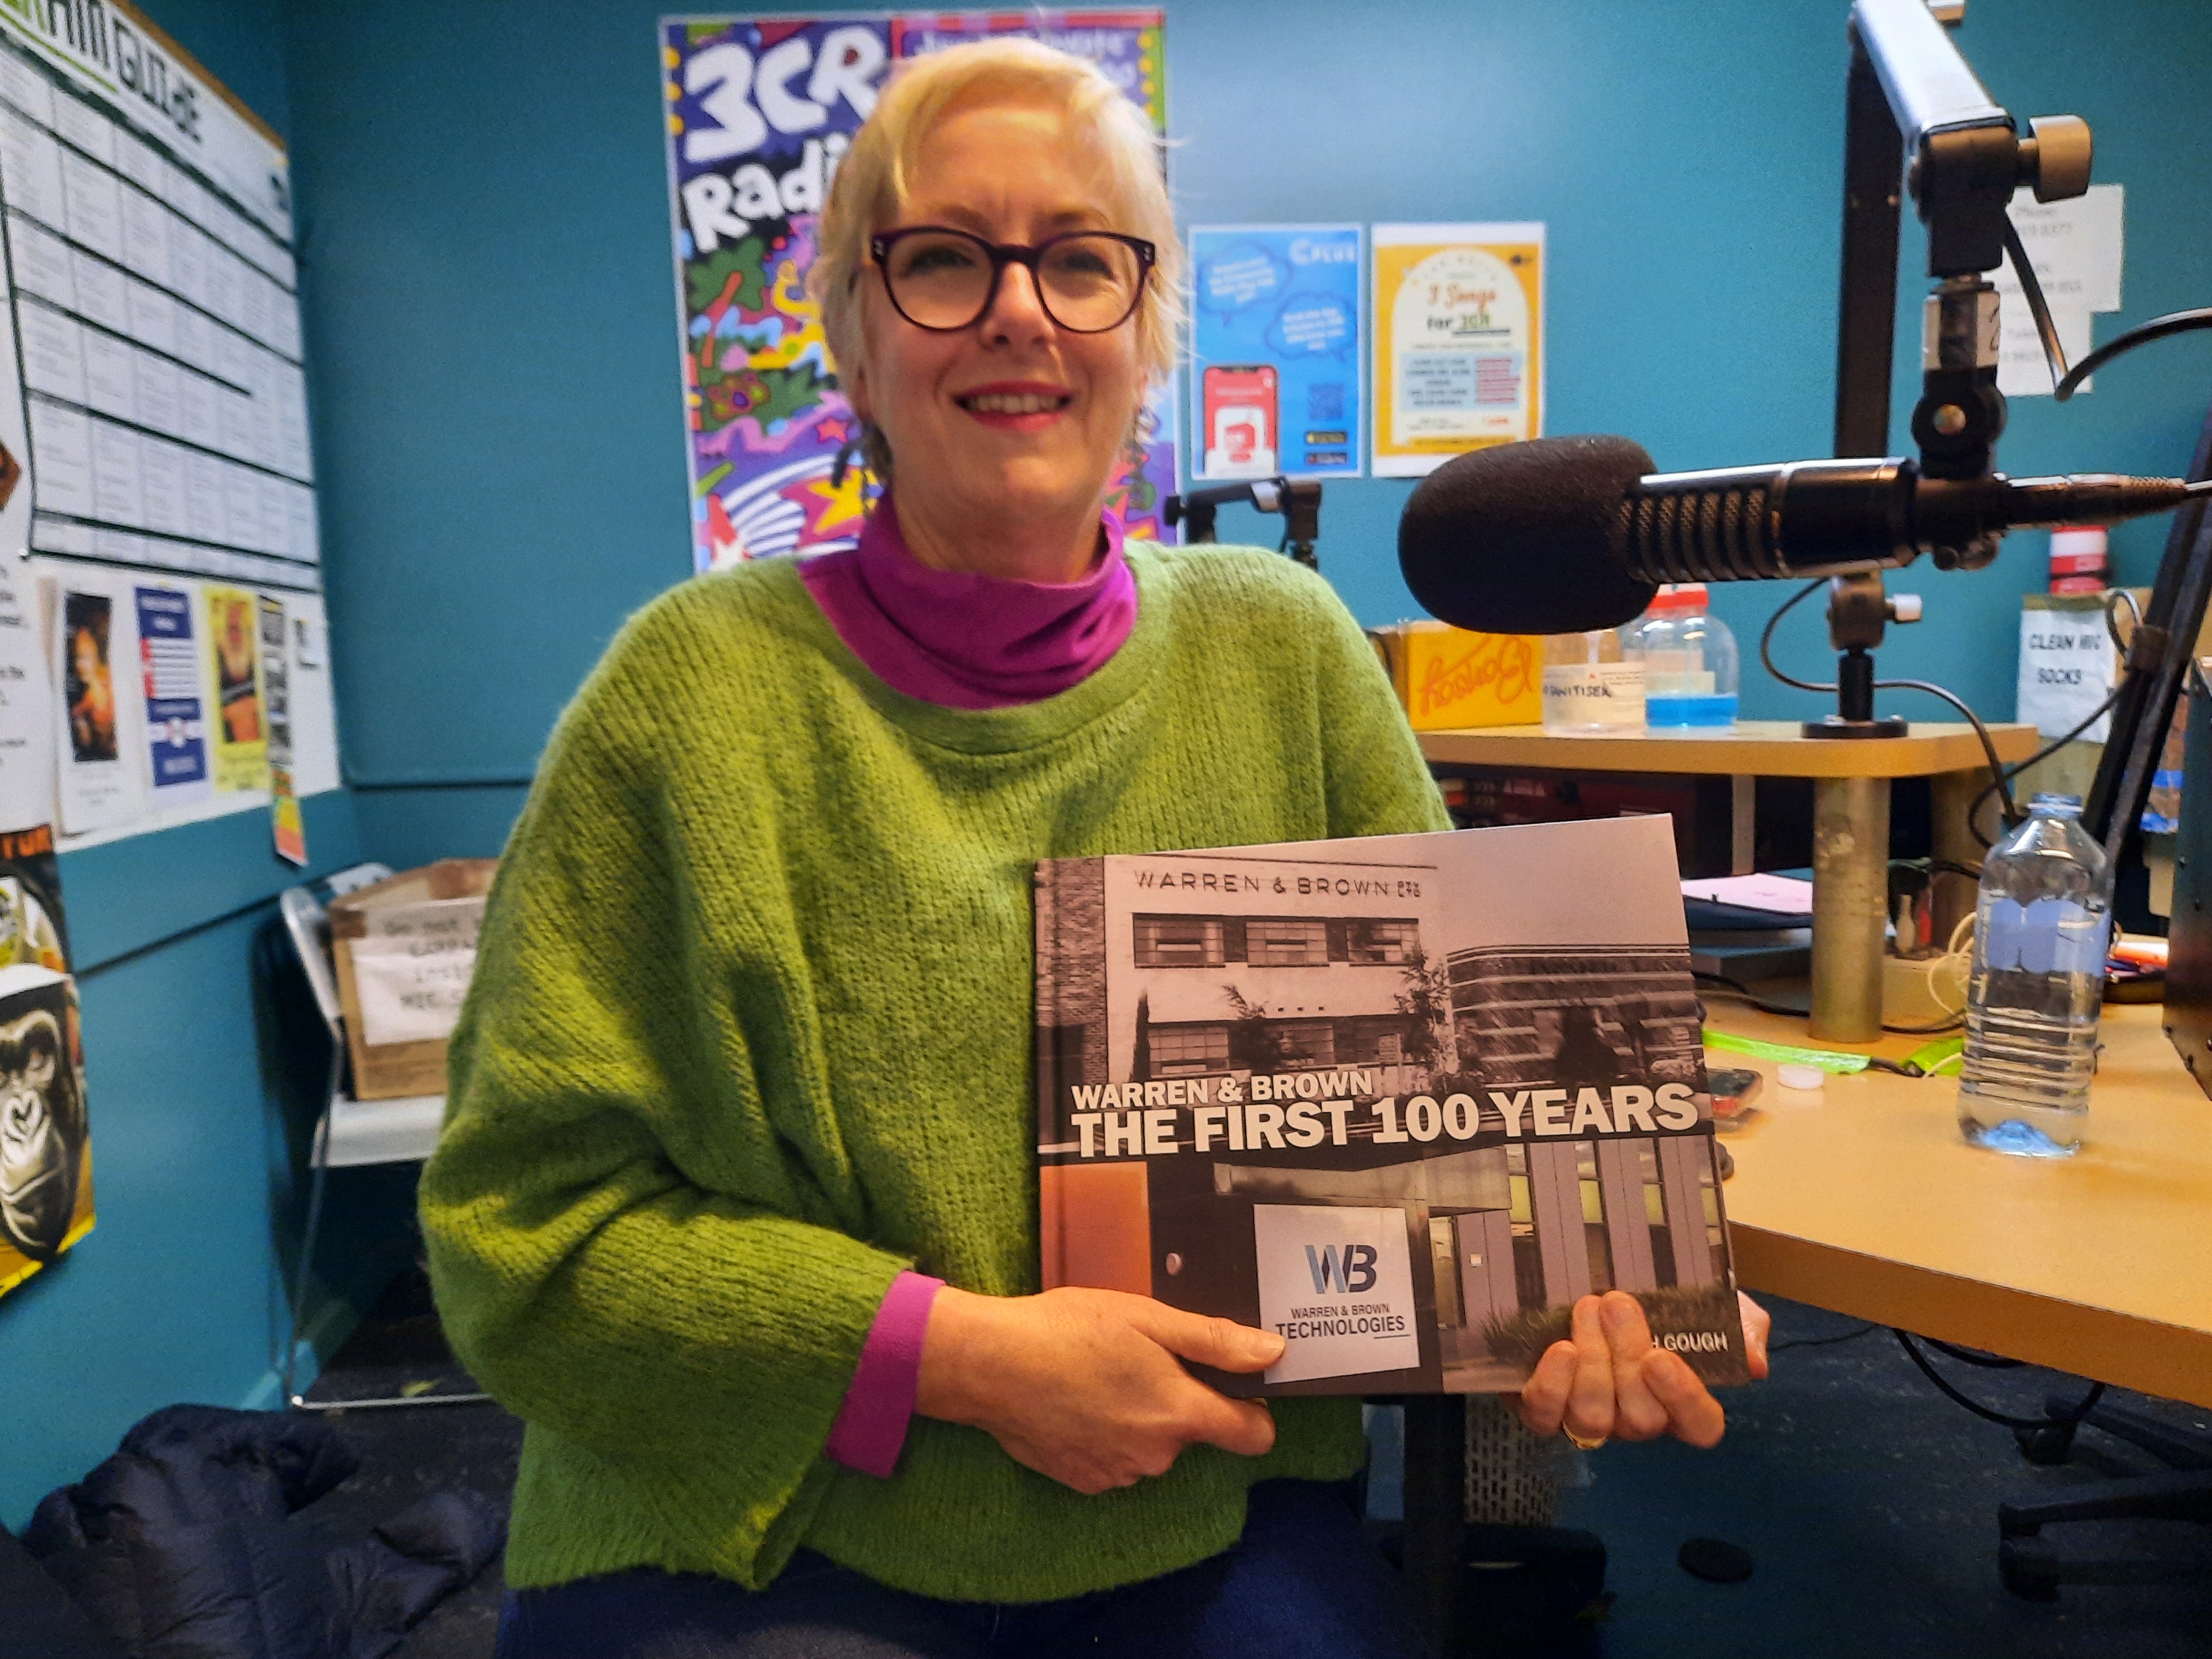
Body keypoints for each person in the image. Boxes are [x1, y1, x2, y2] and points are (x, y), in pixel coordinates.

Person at [420, 38, 1768, 1659]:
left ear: (1147, 332)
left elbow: (1481, 1135)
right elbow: (521, 1240)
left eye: (1078, 260)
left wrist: (1605, 1285)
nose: (1017, 309)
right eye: (941, 260)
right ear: (854, 334)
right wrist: (964, 1360)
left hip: (1205, 1501)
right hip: (754, 1527)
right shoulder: (682, 700)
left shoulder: (1283, 648)